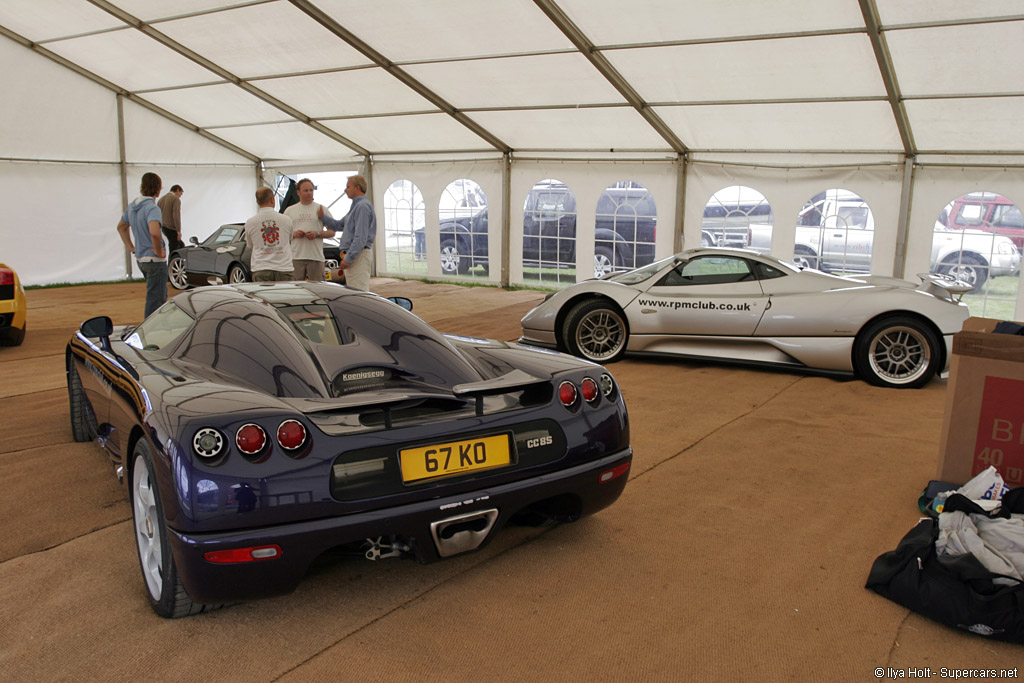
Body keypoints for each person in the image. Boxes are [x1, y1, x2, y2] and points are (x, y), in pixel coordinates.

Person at [117, 172, 166, 318]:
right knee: (156, 300)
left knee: (153, 296)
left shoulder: (132, 207)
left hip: (141, 258)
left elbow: (121, 227)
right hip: (154, 260)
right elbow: (154, 232)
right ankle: (151, 328)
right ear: (158, 188)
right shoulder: (152, 208)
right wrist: (159, 251)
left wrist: (132, 248)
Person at [319, 175, 376, 291]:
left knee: (358, 290)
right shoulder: (356, 207)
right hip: (355, 254)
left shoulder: (362, 207)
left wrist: (349, 258)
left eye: (348, 187)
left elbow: (360, 238)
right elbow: (339, 225)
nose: (345, 190)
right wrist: (323, 217)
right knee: (353, 287)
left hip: (358, 255)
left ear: (357, 188)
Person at [284, 178, 334, 281]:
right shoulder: (289, 211)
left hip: (316, 257)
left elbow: (332, 232)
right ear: (298, 192)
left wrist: (317, 234)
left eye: (311, 190)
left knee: (318, 288)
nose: (309, 193)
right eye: (306, 190)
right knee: (296, 288)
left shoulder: (321, 209)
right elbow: (283, 233)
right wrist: (294, 234)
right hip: (296, 257)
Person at [243, 187, 295, 282]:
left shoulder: (250, 222)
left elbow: (250, 245)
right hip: (283, 268)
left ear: (257, 202)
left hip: (261, 268)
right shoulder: (286, 220)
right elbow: (290, 239)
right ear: (272, 199)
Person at [157, 184, 185, 252]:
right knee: (175, 248)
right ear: (177, 190)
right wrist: (178, 230)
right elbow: (176, 215)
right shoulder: (175, 199)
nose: (180, 196)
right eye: (181, 193)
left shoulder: (161, 199)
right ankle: (173, 259)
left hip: (163, 227)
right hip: (171, 227)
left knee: (180, 245)